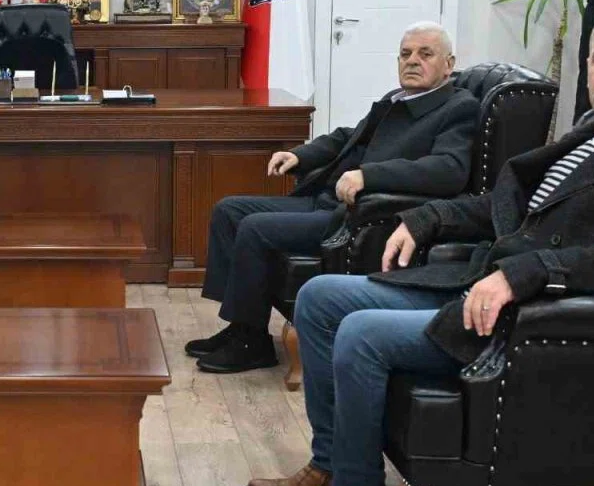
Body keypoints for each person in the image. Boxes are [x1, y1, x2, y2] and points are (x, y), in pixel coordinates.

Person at [248, 3, 594, 486]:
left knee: (361, 332)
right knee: (320, 297)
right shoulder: (591, 135)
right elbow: (505, 207)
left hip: (526, 316)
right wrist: (428, 217)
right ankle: (330, 466)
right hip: (478, 282)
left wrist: (523, 273)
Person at [187, 22, 478, 374]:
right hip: (327, 198)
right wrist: (300, 155)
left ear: (449, 64)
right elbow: (347, 136)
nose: (412, 61)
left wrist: (368, 175)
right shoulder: (397, 99)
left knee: (255, 227)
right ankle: (242, 327)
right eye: (405, 54)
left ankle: (251, 344)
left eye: (425, 54)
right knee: (229, 210)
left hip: (359, 216)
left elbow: (449, 169)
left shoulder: (458, 107)